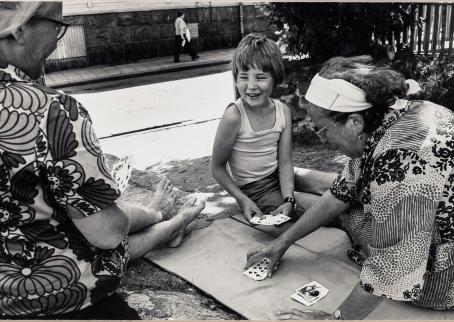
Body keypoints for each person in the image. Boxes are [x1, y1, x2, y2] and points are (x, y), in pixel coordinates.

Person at [0, 1, 205, 318]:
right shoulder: (50, 111)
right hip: (60, 300)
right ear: (20, 27)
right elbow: (106, 232)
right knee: (108, 233)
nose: (58, 39)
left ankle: (160, 213)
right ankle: (171, 218)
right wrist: (148, 214)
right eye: (57, 26)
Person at [246, 55, 454, 320]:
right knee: (346, 205)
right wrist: (281, 242)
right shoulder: (392, 118)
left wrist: (335, 319)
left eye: (322, 130)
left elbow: (392, 265)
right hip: (429, 215)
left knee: (357, 220)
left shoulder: (403, 159)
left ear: (355, 122)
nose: (322, 140)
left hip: (446, 275)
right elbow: (340, 193)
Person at [211, 34, 335, 223]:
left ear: (275, 79)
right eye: (243, 77)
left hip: (281, 175)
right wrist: (243, 200)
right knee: (327, 209)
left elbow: (285, 162)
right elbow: (217, 168)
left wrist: (289, 198)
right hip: (255, 190)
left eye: (260, 77)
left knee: (339, 185)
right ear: (236, 79)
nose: (251, 86)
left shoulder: (282, 110)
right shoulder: (234, 116)